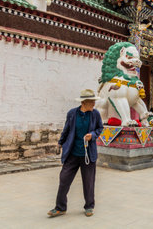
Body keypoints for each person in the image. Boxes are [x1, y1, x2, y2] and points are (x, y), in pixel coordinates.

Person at [48, 89, 103, 218]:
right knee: (64, 179)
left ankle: (89, 206)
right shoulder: (72, 114)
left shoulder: (95, 114)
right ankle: (60, 207)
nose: (94, 104)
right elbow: (66, 130)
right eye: (92, 102)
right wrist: (60, 143)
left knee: (88, 182)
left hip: (88, 154)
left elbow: (100, 128)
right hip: (72, 153)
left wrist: (93, 135)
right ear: (84, 102)